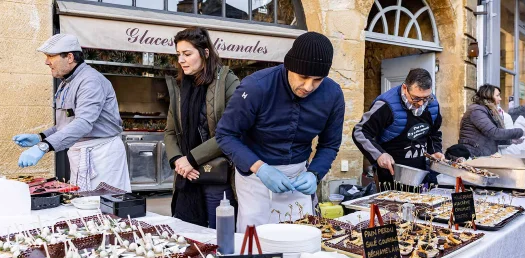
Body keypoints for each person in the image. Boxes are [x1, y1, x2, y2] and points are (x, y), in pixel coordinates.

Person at [215, 32, 345, 232]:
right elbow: (225, 135)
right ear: (289, 66)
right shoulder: (256, 86)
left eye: (317, 80)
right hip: (255, 177)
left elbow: (329, 144)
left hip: (299, 176)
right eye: (303, 77)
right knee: (255, 244)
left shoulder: (333, 95)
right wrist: (260, 168)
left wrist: (315, 174)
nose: (308, 87)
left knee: (299, 241)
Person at [13, 34, 130, 192]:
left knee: (107, 207)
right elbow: (66, 124)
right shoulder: (66, 83)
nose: (46, 61)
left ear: (69, 57)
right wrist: (40, 137)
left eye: (50, 56)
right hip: (82, 154)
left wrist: (43, 147)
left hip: (102, 155)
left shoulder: (91, 81)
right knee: (83, 205)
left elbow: (83, 123)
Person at [164, 27, 240, 228]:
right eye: (178, 54)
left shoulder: (227, 81)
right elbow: (170, 131)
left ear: (205, 53)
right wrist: (178, 162)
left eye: (187, 54)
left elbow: (230, 131)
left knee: (220, 237)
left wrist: (190, 159)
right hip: (185, 177)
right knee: (187, 238)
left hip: (217, 175)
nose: (181, 60)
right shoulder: (179, 87)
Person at [352, 68, 443, 188]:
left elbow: (434, 133)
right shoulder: (386, 105)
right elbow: (360, 131)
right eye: (416, 98)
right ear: (405, 88)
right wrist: (379, 154)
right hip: (392, 175)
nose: (421, 103)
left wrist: (435, 151)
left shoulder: (432, 104)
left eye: (425, 98)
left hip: (423, 173)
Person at [458, 84, 525, 157]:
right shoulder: (477, 111)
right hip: (473, 154)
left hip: (480, 153)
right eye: (497, 95)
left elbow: (489, 138)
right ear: (488, 96)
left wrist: (511, 141)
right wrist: (522, 132)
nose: (500, 99)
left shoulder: (486, 110)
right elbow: (494, 133)